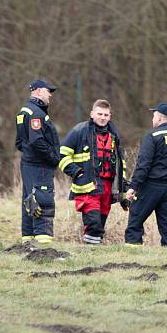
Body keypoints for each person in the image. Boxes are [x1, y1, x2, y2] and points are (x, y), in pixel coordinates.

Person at [59, 99, 128, 244]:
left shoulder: (114, 134)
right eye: (99, 114)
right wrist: (76, 172)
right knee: (93, 223)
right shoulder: (79, 131)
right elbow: (61, 155)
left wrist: (123, 186)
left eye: (106, 115)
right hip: (87, 185)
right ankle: (91, 251)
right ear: (92, 114)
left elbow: (121, 163)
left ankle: (93, 252)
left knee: (100, 223)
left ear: (110, 116)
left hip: (108, 187)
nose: (102, 117)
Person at [124, 102, 167, 247]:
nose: (152, 119)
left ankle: (131, 255)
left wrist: (133, 186)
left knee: (135, 223)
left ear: (160, 118)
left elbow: (143, 165)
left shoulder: (152, 136)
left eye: (154, 116)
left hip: (151, 187)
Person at [15, 79, 61, 244]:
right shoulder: (37, 113)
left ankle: (28, 238)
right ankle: (43, 240)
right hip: (39, 165)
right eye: (48, 91)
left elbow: (20, 143)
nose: (50, 95)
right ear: (39, 91)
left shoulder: (23, 112)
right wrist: (53, 157)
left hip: (28, 163)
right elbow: (36, 141)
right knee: (42, 198)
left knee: (29, 199)